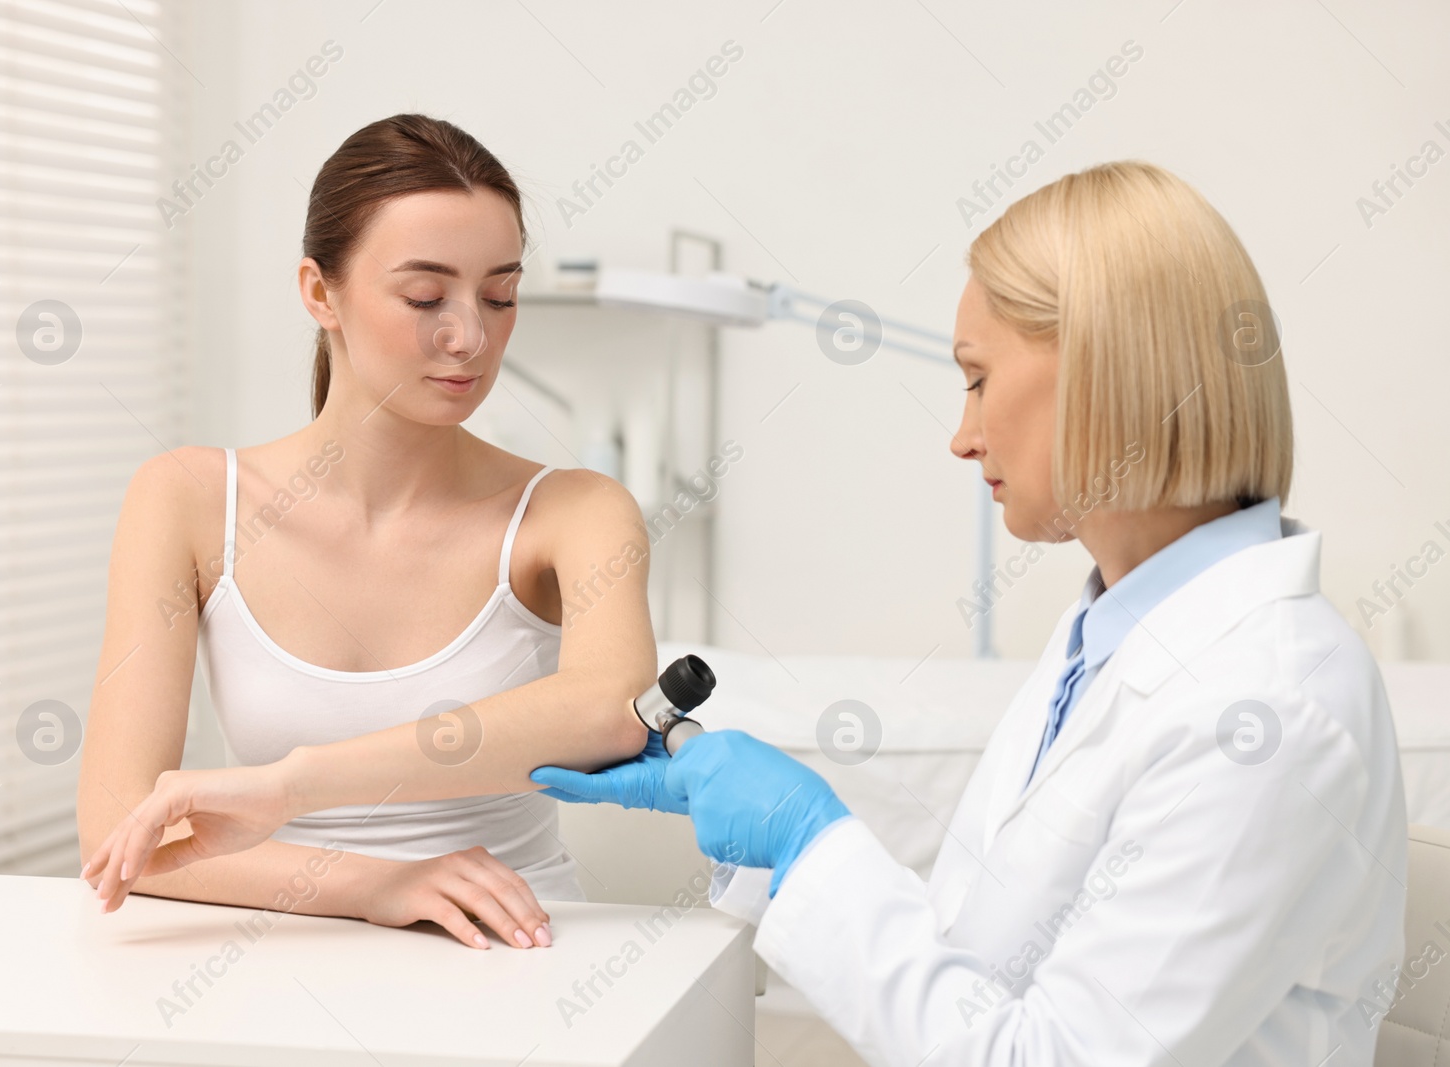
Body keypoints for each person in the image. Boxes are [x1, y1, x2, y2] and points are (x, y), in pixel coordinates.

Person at [531, 161, 1409, 1064]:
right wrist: (776, 852)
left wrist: (810, 837)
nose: (963, 435)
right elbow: (977, 958)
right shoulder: (1103, 636)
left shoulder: (1268, 707)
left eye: (980, 379)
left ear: (1108, 370)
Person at [76, 114, 657, 953]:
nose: (472, 336)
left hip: (518, 949)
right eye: (425, 298)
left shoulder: (574, 510)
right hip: (286, 949)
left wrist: (292, 786)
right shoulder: (189, 498)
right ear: (320, 292)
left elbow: (609, 713)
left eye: (500, 295)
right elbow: (119, 834)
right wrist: (373, 883)